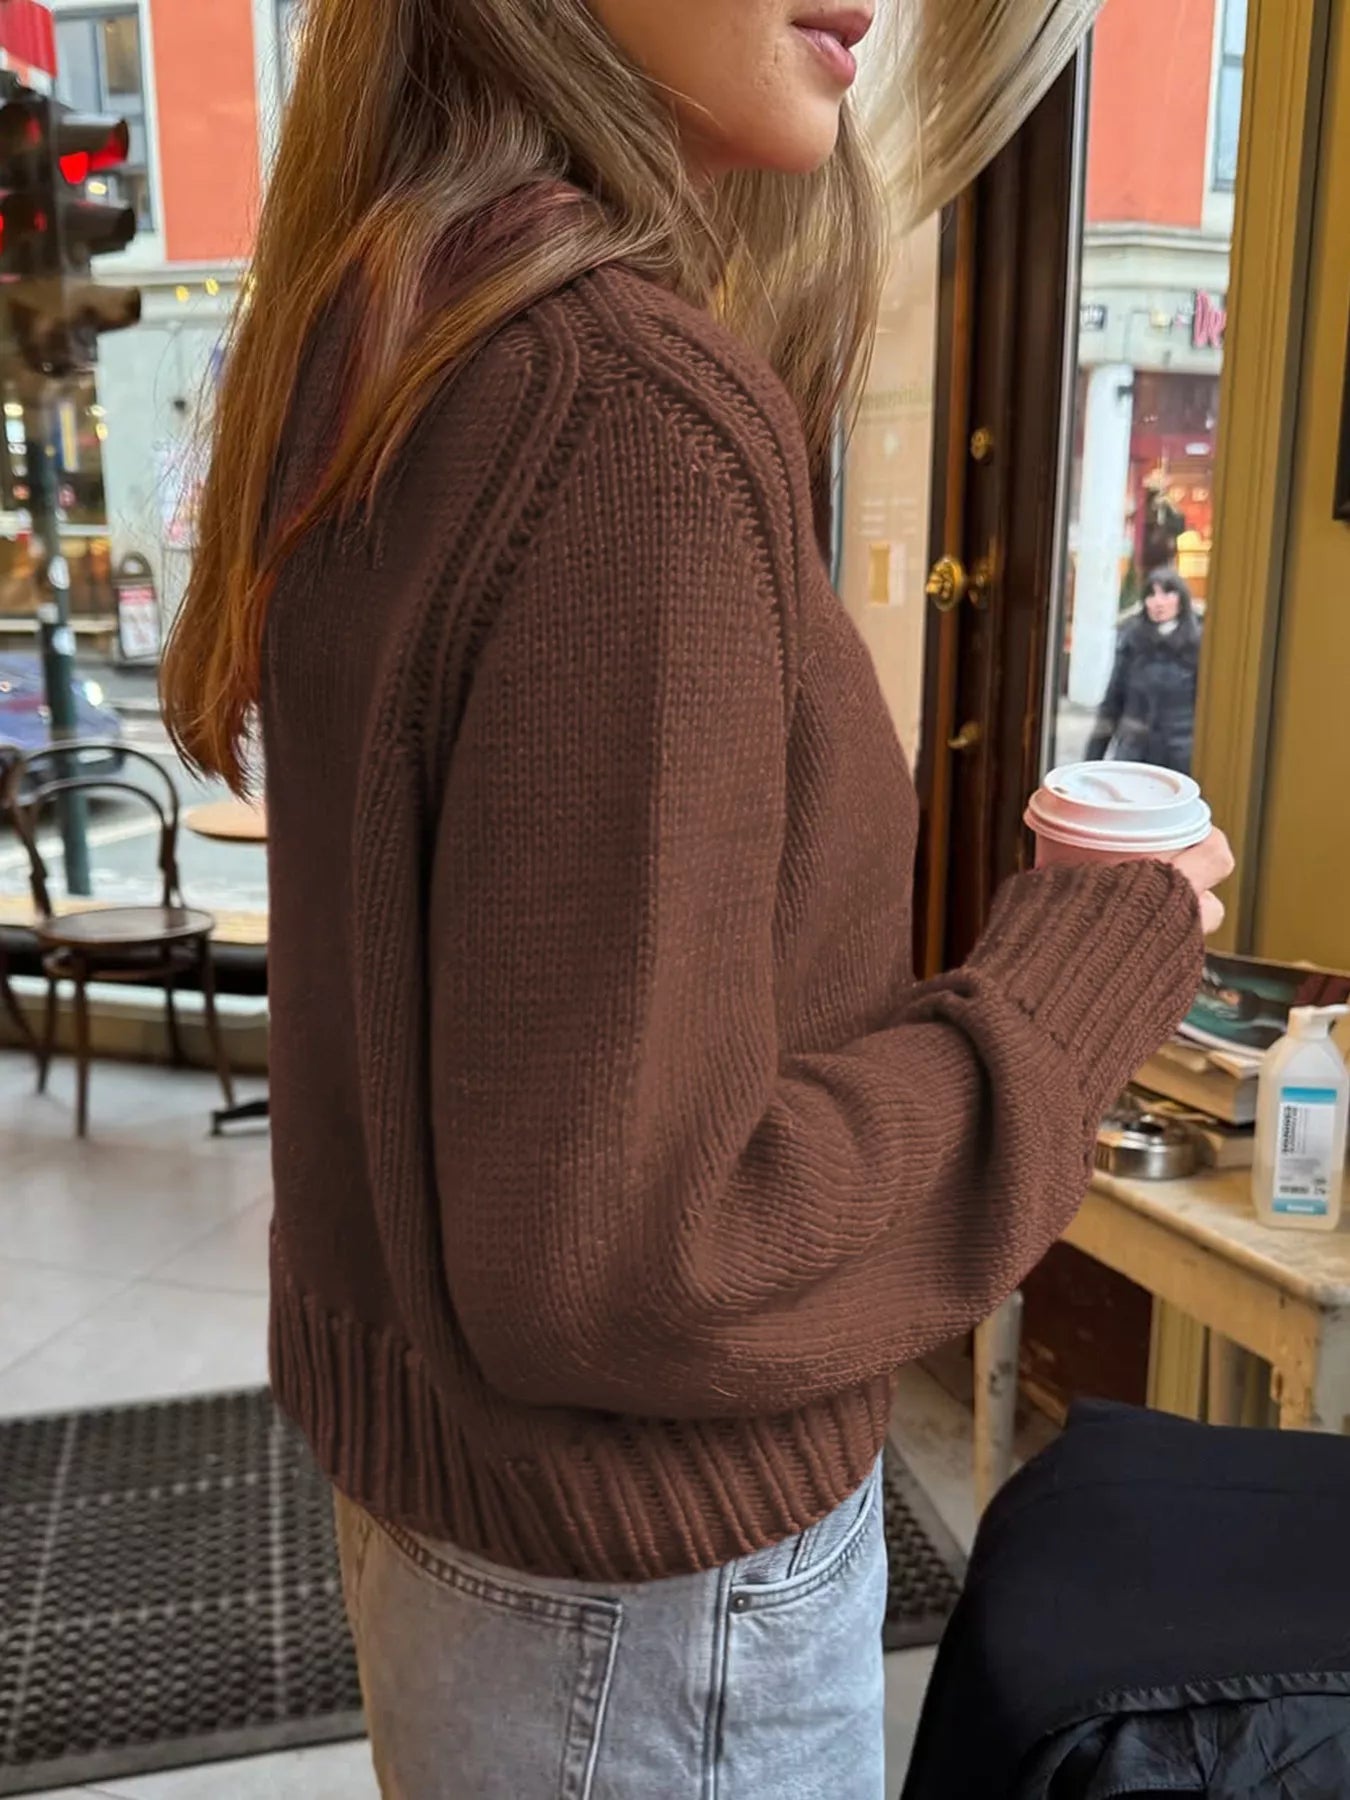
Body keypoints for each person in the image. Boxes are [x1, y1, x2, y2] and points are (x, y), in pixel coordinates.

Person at [161, 2, 1233, 1793]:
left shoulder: (398, 323)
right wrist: (1070, 984)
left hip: (474, 1544)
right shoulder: (621, 411)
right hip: (640, 1611)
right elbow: (646, 1259)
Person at [1087, 569, 1204, 774]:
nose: (1158, 602)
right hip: (1134, 754)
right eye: (1151, 594)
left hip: (1180, 757)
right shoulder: (1132, 640)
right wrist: (1090, 761)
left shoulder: (1197, 644)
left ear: (1181, 600)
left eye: (1167, 594)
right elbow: (1112, 703)